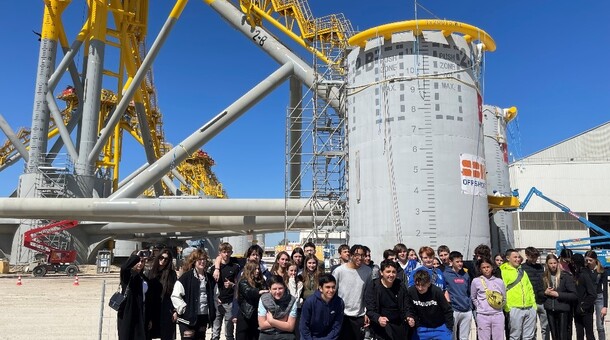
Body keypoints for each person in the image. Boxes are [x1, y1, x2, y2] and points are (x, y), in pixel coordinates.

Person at [171, 248, 217, 340]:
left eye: (204, 259)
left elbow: (215, 294)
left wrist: (213, 308)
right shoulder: (186, 278)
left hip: (203, 317)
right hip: (187, 318)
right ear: (194, 261)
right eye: (199, 259)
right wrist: (183, 308)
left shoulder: (209, 278)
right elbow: (175, 295)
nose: (202, 262)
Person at [332, 244, 372, 340]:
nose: (360, 258)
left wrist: (368, 312)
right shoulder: (339, 271)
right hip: (342, 315)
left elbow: (369, 293)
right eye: (357, 255)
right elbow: (331, 291)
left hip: (359, 315)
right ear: (351, 255)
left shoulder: (367, 271)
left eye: (362, 255)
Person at [364, 260, 409, 340]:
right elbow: (370, 310)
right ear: (381, 272)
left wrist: (409, 316)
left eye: (393, 272)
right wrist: (378, 318)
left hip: (398, 326)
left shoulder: (400, 285)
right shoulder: (374, 286)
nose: (391, 275)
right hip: (381, 327)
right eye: (388, 272)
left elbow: (407, 305)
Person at [406, 269, 454, 340]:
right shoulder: (411, 291)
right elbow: (409, 308)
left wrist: (449, 328)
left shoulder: (436, 291)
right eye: (417, 285)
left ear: (429, 283)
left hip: (440, 327)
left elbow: (447, 310)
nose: (420, 288)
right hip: (421, 328)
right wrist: (410, 317)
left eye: (423, 285)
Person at [500, 249, 537, 340]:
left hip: (529, 307)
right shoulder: (503, 272)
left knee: (529, 336)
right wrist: (507, 307)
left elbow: (530, 289)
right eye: (515, 257)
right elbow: (502, 290)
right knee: (515, 336)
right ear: (508, 258)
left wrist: (534, 306)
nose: (517, 259)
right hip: (514, 308)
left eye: (518, 257)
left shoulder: (523, 272)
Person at [118, 249, 151, 340]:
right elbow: (124, 267)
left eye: (142, 261)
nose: (140, 264)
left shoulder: (143, 277)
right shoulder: (128, 274)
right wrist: (136, 256)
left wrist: (149, 318)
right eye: (138, 261)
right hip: (128, 313)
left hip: (141, 313)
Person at [299, 274, 344, 340]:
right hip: (310, 337)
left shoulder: (339, 302)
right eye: (327, 287)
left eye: (333, 287)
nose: (331, 290)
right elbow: (304, 326)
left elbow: (337, 326)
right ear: (320, 288)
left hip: (329, 337)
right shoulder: (310, 302)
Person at [543, 253, 577, 340]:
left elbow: (574, 295)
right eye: (550, 263)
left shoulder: (565, 276)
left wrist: (558, 294)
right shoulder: (544, 277)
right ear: (547, 264)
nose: (553, 265)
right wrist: (545, 292)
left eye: (554, 263)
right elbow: (538, 292)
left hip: (562, 309)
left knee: (562, 336)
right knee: (554, 336)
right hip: (550, 309)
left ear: (558, 263)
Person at [470, 258, 506, 340]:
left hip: (497, 314)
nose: (486, 269)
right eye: (484, 267)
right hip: (483, 315)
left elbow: (504, 297)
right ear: (480, 269)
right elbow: (473, 297)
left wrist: (499, 307)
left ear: (492, 267)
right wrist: (480, 306)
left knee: (499, 337)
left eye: (488, 267)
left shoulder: (499, 281)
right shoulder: (476, 281)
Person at [211, 242, 240, 340]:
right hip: (217, 302)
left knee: (229, 333)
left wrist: (232, 285)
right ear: (220, 253)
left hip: (230, 302)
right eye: (224, 252)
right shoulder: (213, 269)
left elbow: (239, 285)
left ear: (231, 252)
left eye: (228, 252)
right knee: (215, 332)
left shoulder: (235, 267)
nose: (226, 254)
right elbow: (209, 286)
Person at [147, 248, 178, 340]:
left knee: (167, 335)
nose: (163, 260)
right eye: (161, 257)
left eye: (166, 259)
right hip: (152, 309)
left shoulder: (171, 274)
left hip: (166, 310)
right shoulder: (150, 273)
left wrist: (175, 311)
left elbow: (175, 293)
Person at [258, 275, 298, 340]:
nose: (277, 292)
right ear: (269, 289)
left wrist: (271, 320)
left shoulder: (292, 300)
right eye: (274, 289)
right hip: (267, 334)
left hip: (285, 334)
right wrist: (283, 321)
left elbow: (290, 327)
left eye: (280, 288)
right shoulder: (263, 299)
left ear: (284, 288)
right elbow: (262, 325)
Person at [236, 261, 269, 340]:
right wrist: (259, 292)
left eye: (258, 269)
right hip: (246, 315)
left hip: (257, 315)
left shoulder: (261, 281)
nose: (257, 271)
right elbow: (248, 291)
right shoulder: (243, 281)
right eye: (255, 269)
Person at [522, 246, 549, 340]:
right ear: (527, 255)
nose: (535, 259)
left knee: (545, 327)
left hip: (542, 300)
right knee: (531, 328)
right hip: (530, 302)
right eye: (532, 257)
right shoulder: (522, 268)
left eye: (536, 257)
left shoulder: (540, 267)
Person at [444, 251, 472, 340]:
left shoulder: (465, 274)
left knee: (464, 337)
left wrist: (469, 304)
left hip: (466, 309)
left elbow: (469, 290)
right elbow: (444, 290)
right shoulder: (446, 274)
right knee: (453, 336)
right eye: (457, 262)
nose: (460, 263)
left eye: (461, 261)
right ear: (451, 262)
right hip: (454, 309)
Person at [572, 253, 597, 340]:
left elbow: (593, 294)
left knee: (589, 334)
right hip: (577, 309)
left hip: (586, 310)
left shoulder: (584, 274)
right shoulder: (577, 274)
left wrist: (583, 306)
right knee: (579, 333)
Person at [585, 251, 608, 340]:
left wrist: (605, 306)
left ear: (595, 260)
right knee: (588, 325)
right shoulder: (584, 270)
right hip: (588, 297)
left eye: (590, 260)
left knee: (600, 325)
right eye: (587, 260)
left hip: (599, 297)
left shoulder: (602, 271)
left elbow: (605, 289)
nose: (588, 262)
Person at [287, 262, 303, 340]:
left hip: (296, 310)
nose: (293, 273)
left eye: (295, 271)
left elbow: (294, 298)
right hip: (285, 311)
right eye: (291, 270)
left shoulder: (299, 283)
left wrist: (292, 281)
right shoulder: (283, 282)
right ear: (287, 271)